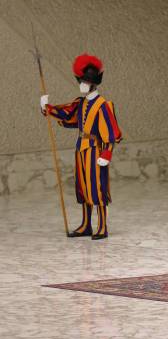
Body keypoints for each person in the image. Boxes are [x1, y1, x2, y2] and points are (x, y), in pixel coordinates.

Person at [40, 53, 122, 240]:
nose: (81, 83)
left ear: (92, 82)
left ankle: (102, 226)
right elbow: (68, 113)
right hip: (81, 150)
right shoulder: (82, 103)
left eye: (84, 80)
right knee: (84, 187)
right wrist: (48, 107)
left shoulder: (103, 105)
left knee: (98, 187)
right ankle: (86, 225)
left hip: (96, 151)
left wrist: (107, 153)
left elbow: (111, 130)